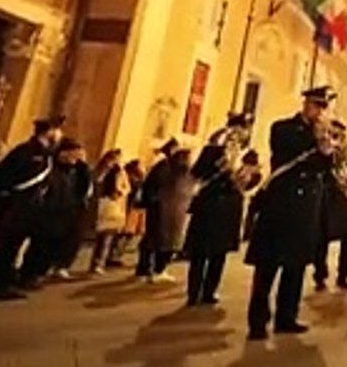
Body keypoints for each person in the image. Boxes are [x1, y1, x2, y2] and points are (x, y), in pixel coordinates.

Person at [244, 86, 336, 341]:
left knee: (295, 268)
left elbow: (324, 170)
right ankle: (258, 322)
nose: (317, 112)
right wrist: (316, 140)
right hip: (280, 205)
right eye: (314, 106)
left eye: (321, 107)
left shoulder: (323, 137)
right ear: (306, 105)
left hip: (305, 210)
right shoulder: (283, 128)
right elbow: (286, 152)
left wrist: (327, 149)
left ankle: (287, 317)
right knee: (267, 268)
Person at [184, 113, 260, 306]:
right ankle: (194, 293)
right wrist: (218, 161)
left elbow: (253, 179)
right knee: (200, 252)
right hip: (209, 204)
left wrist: (247, 177)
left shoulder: (247, 154)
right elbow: (197, 173)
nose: (240, 134)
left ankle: (210, 291)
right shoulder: (212, 149)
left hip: (229, 205)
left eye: (242, 130)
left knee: (220, 253)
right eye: (238, 129)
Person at [0, 115, 63, 303]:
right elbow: (3, 179)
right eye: (58, 130)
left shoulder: (46, 155)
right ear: (49, 131)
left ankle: (2, 284)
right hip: (13, 210)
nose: (60, 134)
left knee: (12, 250)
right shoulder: (25, 152)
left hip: (28, 213)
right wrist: (4, 202)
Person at [19, 137, 89, 286]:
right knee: (39, 247)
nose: (76, 158)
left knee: (50, 248)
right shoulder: (52, 168)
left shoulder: (74, 171)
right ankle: (28, 275)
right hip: (48, 213)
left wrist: (83, 166)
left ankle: (38, 273)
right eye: (74, 154)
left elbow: (84, 187)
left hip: (64, 214)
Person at [315, 123, 347, 292]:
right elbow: (321, 169)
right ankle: (320, 275)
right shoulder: (325, 148)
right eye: (333, 132)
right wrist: (334, 183)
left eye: (339, 133)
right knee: (322, 239)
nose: (336, 136)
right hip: (330, 197)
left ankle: (343, 275)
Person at [137, 141, 194, 283]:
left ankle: (145, 270)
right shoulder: (174, 169)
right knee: (163, 241)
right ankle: (157, 269)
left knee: (153, 240)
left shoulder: (166, 167)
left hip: (164, 209)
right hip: (167, 211)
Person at [89, 149, 131, 274]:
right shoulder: (102, 169)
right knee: (102, 235)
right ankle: (97, 262)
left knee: (108, 235)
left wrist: (121, 192)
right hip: (103, 202)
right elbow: (96, 181)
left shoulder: (121, 172)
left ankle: (100, 262)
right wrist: (106, 169)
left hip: (115, 204)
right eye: (115, 158)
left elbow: (127, 187)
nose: (117, 161)